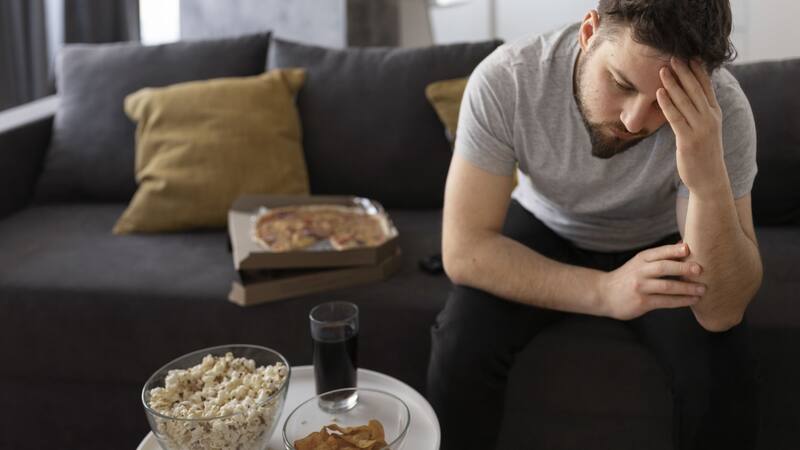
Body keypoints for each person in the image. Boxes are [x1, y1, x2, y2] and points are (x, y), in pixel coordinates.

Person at [426, 1, 762, 449]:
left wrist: (708, 182)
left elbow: (723, 311)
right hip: (548, 223)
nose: (633, 121)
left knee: (722, 365)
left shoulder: (724, 112)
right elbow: (464, 251)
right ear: (590, 31)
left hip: (666, 236)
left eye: (665, 104)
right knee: (461, 341)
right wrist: (605, 291)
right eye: (621, 84)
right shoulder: (507, 79)